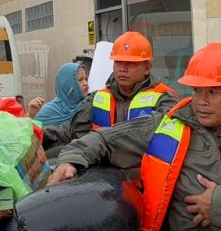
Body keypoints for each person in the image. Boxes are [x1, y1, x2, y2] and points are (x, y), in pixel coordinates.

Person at [47, 43, 221, 231]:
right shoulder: (164, 126)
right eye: (196, 91)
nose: (201, 101)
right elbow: (103, 139)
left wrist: (220, 205)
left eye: (213, 93)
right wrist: (71, 159)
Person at [42, 32, 178, 149]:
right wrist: (36, 132)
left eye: (130, 63)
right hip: (103, 172)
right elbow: (71, 129)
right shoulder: (97, 97)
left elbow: (153, 133)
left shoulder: (165, 98)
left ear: (147, 68)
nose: (122, 69)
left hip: (143, 174)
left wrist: (101, 138)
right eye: (118, 62)